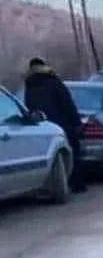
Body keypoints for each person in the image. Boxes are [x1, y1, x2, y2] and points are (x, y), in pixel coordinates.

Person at [24, 57, 87, 192]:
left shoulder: (29, 85)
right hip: (62, 124)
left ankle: (50, 185)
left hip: (41, 126)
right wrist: (77, 123)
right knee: (72, 152)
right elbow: (67, 103)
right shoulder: (54, 81)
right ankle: (77, 184)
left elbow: (28, 106)